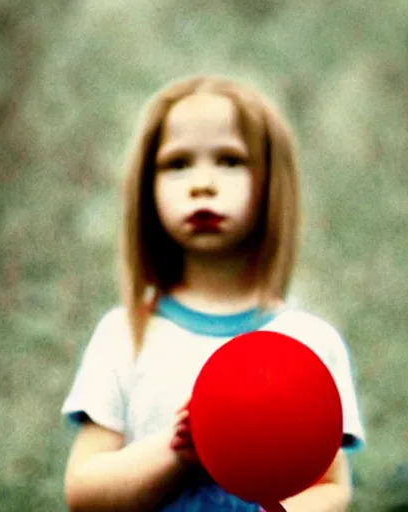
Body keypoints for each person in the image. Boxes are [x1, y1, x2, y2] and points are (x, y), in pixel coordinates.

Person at [62, 75, 365, 512]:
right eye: (177, 163)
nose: (202, 183)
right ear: (147, 187)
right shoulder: (126, 334)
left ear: (271, 183)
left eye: (230, 160)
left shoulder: (311, 344)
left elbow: (331, 486)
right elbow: (84, 494)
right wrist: (177, 451)